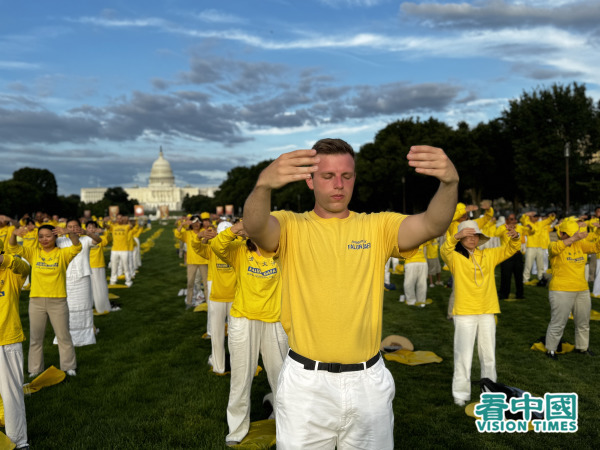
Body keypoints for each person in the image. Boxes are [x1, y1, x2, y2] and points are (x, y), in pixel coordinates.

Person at [242, 139, 458, 449]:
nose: (339, 185)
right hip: (306, 383)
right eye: (328, 176)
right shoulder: (291, 225)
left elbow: (432, 224)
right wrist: (262, 186)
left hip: (368, 381)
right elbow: (256, 226)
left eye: (347, 175)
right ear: (310, 179)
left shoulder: (377, 225)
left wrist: (450, 182)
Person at [210, 220, 289, 446]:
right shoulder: (240, 252)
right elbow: (217, 246)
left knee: (281, 376)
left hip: (274, 321)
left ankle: (286, 422)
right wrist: (235, 228)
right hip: (244, 320)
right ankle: (236, 430)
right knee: (241, 377)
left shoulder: (283, 253)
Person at [441, 220, 520, 406]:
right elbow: (444, 250)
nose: (471, 239)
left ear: (479, 238)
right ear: (460, 239)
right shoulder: (455, 258)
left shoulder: (488, 255)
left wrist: (515, 237)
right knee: (463, 354)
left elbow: (510, 249)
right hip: (464, 313)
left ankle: (490, 393)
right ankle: (460, 394)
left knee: (489, 355)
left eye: (475, 235)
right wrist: (455, 237)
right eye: (467, 236)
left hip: (487, 311)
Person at [8, 224, 81, 377]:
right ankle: (35, 369)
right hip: (36, 301)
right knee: (35, 337)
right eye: (41, 236)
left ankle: (69, 366)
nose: (44, 239)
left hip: (58, 300)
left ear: (55, 237)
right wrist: (14, 234)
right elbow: (13, 248)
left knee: (63, 336)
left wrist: (69, 233)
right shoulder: (33, 253)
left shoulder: (62, 254)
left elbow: (76, 246)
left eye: (48, 236)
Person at [544, 220, 600, 359]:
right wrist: (576, 236)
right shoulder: (554, 245)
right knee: (558, 321)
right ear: (561, 234)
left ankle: (582, 347)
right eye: (570, 233)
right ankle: (550, 349)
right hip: (561, 290)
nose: (574, 236)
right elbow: (555, 249)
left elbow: (596, 248)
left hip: (581, 289)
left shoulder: (580, 244)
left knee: (583, 321)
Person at [191, 222, 236, 374]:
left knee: (218, 335)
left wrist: (200, 237)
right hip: (234, 298)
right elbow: (197, 247)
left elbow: (196, 247)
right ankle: (237, 365)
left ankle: (219, 366)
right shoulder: (239, 248)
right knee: (235, 334)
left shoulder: (213, 249)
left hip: (219, 297)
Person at [0, 239, 30, 449]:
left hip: (7, 338)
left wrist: (5, 259)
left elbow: (25, 267)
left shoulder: (10, 272)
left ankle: (18, 440)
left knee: (11, 393)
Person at [56, 218, 101, 346]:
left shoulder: (86, 239)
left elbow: (99, 240)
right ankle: (67, 334)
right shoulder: (61, 241)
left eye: (75, 226)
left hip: (83, 277)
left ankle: (86, 335)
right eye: (69, 226)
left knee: (84, 306)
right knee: (68, 306)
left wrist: (87, 232)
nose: (72, 229)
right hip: (67, 278)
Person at [175, 215, 209, 308]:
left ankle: (209, 303)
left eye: (198, 221)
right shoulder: (188, 233)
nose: (196, 224)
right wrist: (182, 224)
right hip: (192, 261)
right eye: (194, 222)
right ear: (191, 223)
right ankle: (189, 302)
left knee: (206, 284)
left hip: (203, 261)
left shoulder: (204, 232)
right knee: (190, 283)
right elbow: (177, 234)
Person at [495, 213, 530, 301]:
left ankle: (520, 294)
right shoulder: (502, 227)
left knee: (518, 275)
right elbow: (496, 234)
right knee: (505, 275)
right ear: (506, 220)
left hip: (517, 254)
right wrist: (507, 229)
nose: (513, 221)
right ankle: (504, 294)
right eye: (511, 219)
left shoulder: (519, 227)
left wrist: (530, 227)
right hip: (506, 254)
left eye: (514, 219)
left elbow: (529, 232)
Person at [522, 211, 556, 285]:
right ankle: (525, 279)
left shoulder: (540, 223)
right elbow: (523, 219)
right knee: (528, 264)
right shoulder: (527, 222)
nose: (536, 218)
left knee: (540, 264)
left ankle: (540, 278)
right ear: (530, 217)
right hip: (530, 247)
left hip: (539, 247)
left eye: (537, 217)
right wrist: (527, 214)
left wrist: (552, 215)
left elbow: (549, 220)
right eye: (535, 216)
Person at [86, 221, 112, 314]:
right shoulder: (83, 239)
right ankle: (89, 306)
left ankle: (102, 307)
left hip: (97, 265)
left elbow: (107, 240)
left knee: (100, 287)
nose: (91, 229)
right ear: (86, 229)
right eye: (89, 227)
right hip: (86, 266)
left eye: (93, 227)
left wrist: (102, 231)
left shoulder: (100, 238)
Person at [108, 215, 133, 287]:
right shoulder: (113, 226)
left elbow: (131, 226)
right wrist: (105, 223)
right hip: (115, 250)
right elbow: (107, 226)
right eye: (118, 218)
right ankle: (113, 280)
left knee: (126, 266)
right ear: (116, 219)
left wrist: (127, 220)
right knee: (114, 266)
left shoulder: (126, 226)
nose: (119, 220)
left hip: (124, 250)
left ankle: (128, 281)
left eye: (120, 218)